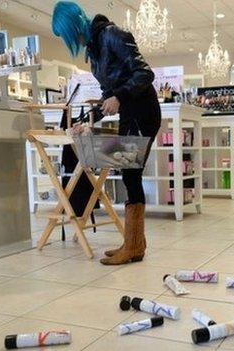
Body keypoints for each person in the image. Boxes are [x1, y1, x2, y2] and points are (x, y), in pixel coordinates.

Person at [52, 1, 161, 265]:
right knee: (128, 175)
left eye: (69, 34)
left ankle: (134, 246)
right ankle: (135, 242)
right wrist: (90, 120)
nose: (71, 40)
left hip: (143, 112)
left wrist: (120, 97)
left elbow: (145, 74)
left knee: (131, 175)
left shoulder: (113, 36)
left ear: (76, 24)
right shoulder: (95, 51)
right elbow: (108, 96)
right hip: (130, 113)